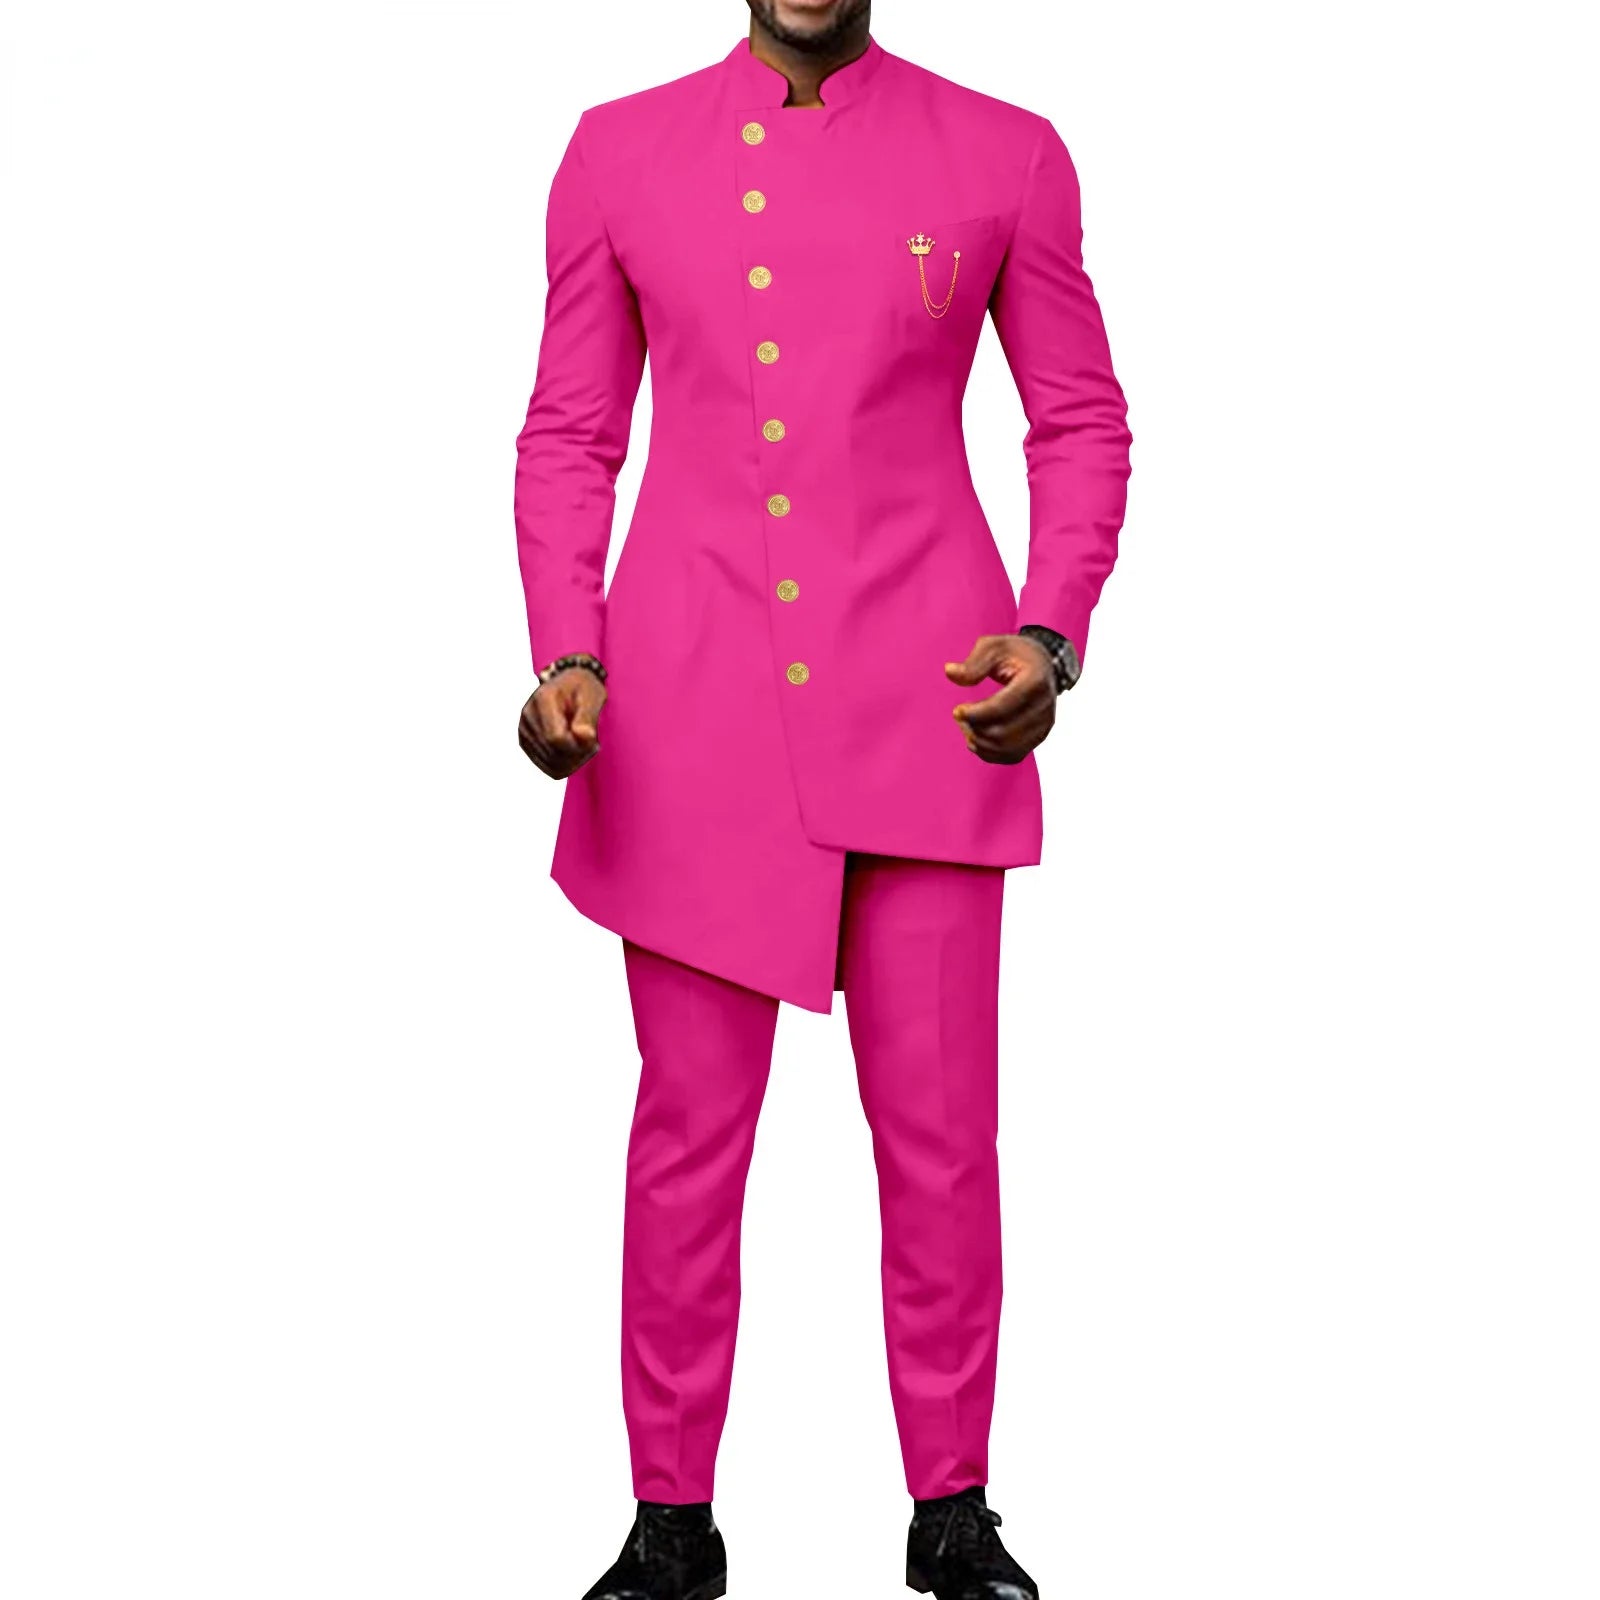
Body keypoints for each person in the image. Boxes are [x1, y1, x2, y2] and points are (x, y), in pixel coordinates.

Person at [513, 3, 1131, 1594]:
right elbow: (572, 432)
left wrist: (1052, 636)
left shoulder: (1007, 152)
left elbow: (1078, 421)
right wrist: (566, 652)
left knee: (944, 1143)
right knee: (684, 1143)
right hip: (689, 717)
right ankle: (670, 1522)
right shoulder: (616, 152)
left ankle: (953, 1509)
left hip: (937, 706)